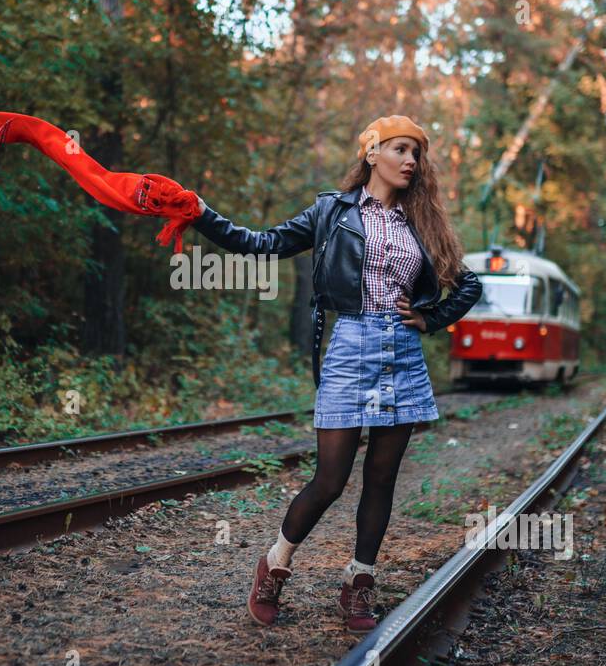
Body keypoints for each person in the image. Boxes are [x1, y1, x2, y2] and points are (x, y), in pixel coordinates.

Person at [191, 115, 484, 632]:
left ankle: (358, 582)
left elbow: (467, 284)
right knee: (330, 478)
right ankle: (275, 563)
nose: (411, 161)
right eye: (399, 149)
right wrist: (199, 213)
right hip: (350, 347)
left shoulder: (423, 221)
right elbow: (260, 243)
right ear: (372, 153)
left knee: (382, 477)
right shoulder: (332, 212)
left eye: (416, 153)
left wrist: (430, 318)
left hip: (402, 352)